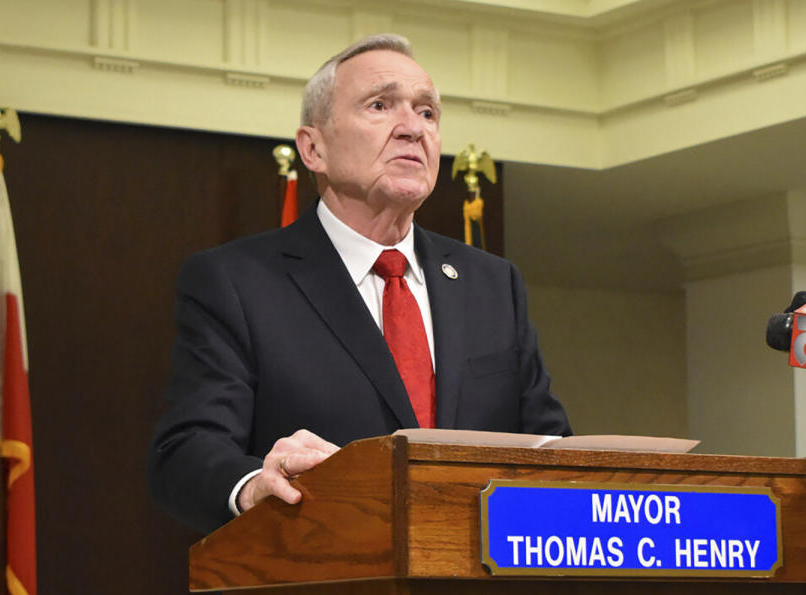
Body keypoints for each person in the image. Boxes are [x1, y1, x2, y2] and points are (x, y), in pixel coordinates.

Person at [148, 34, 570, 535]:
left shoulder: (492, 283)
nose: (413, 128)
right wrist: (253, 484)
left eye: (428, 113)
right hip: (315, 594)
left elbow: (551, 449)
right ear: (314, 148)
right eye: (380, 105)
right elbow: (187, 452)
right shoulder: (237, 281)